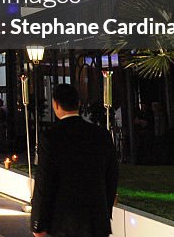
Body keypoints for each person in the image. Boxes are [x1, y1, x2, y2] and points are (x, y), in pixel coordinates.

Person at [31, 84, 119, 237]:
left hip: (64, 221)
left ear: (56, 104)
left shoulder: (51, 137)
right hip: (96, 219)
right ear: (78, 103)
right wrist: (105, 210)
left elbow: (44, 182)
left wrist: (38, 223)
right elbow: (112, 177)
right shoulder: (101, 134)